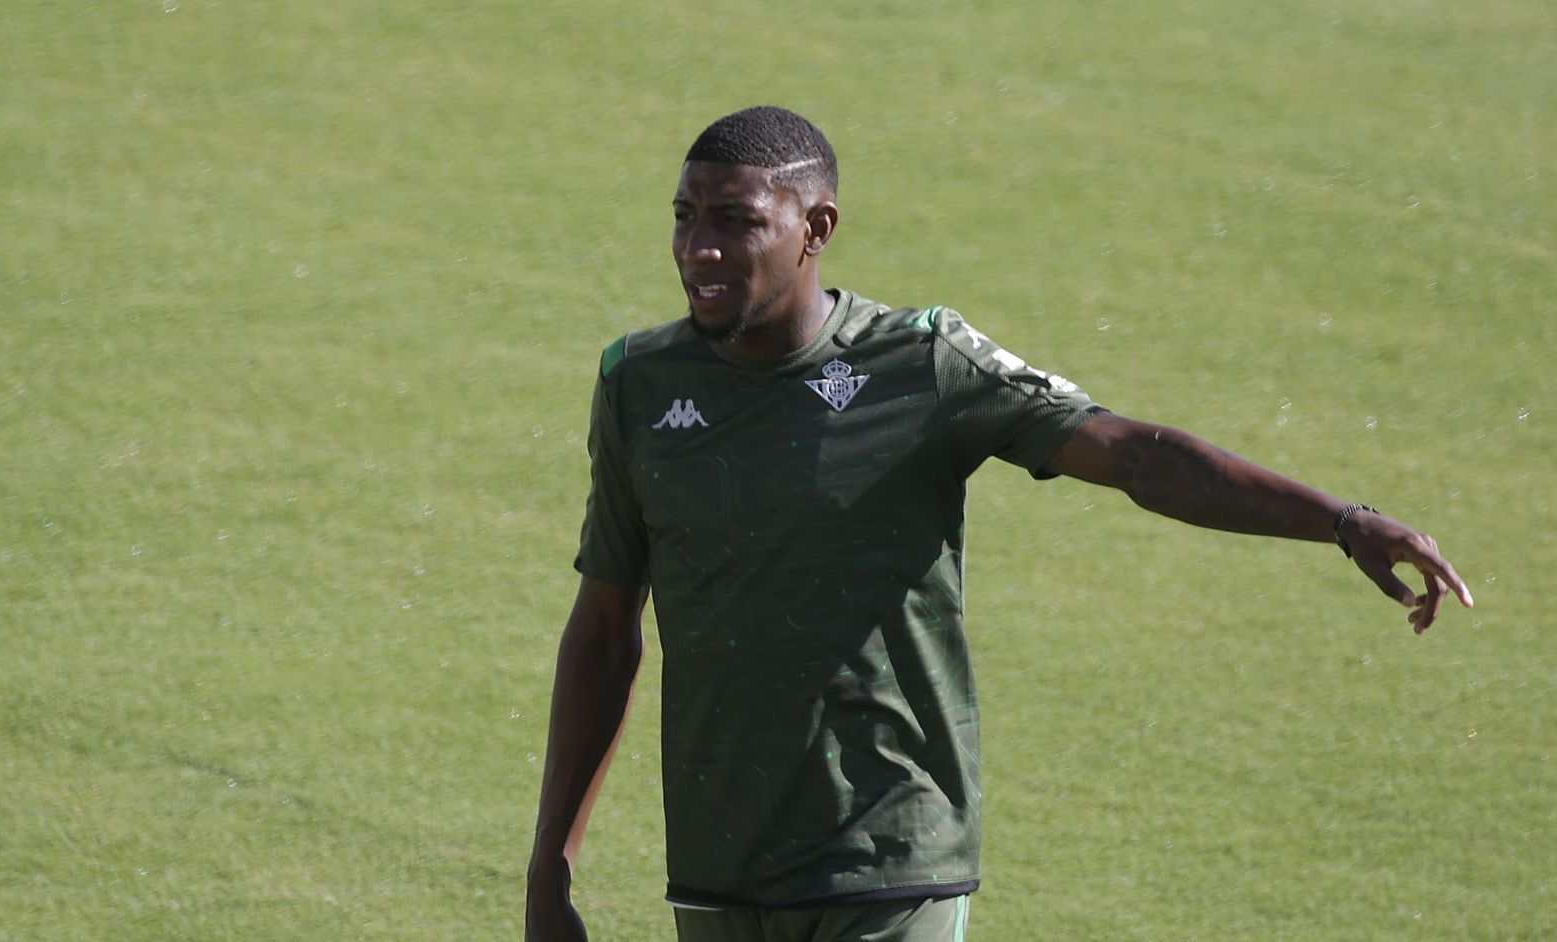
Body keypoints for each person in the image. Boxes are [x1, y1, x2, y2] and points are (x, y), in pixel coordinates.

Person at [523, 106, 1472, 942]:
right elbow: (605, 633)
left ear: (816, 230)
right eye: (686, 219)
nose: (700, 249)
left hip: (891, 854)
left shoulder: (924, 363)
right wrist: (549, 870)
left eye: (736, 222)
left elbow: (1137, 455)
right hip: (717, 865)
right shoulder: (638, 384)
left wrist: (1341, 521)